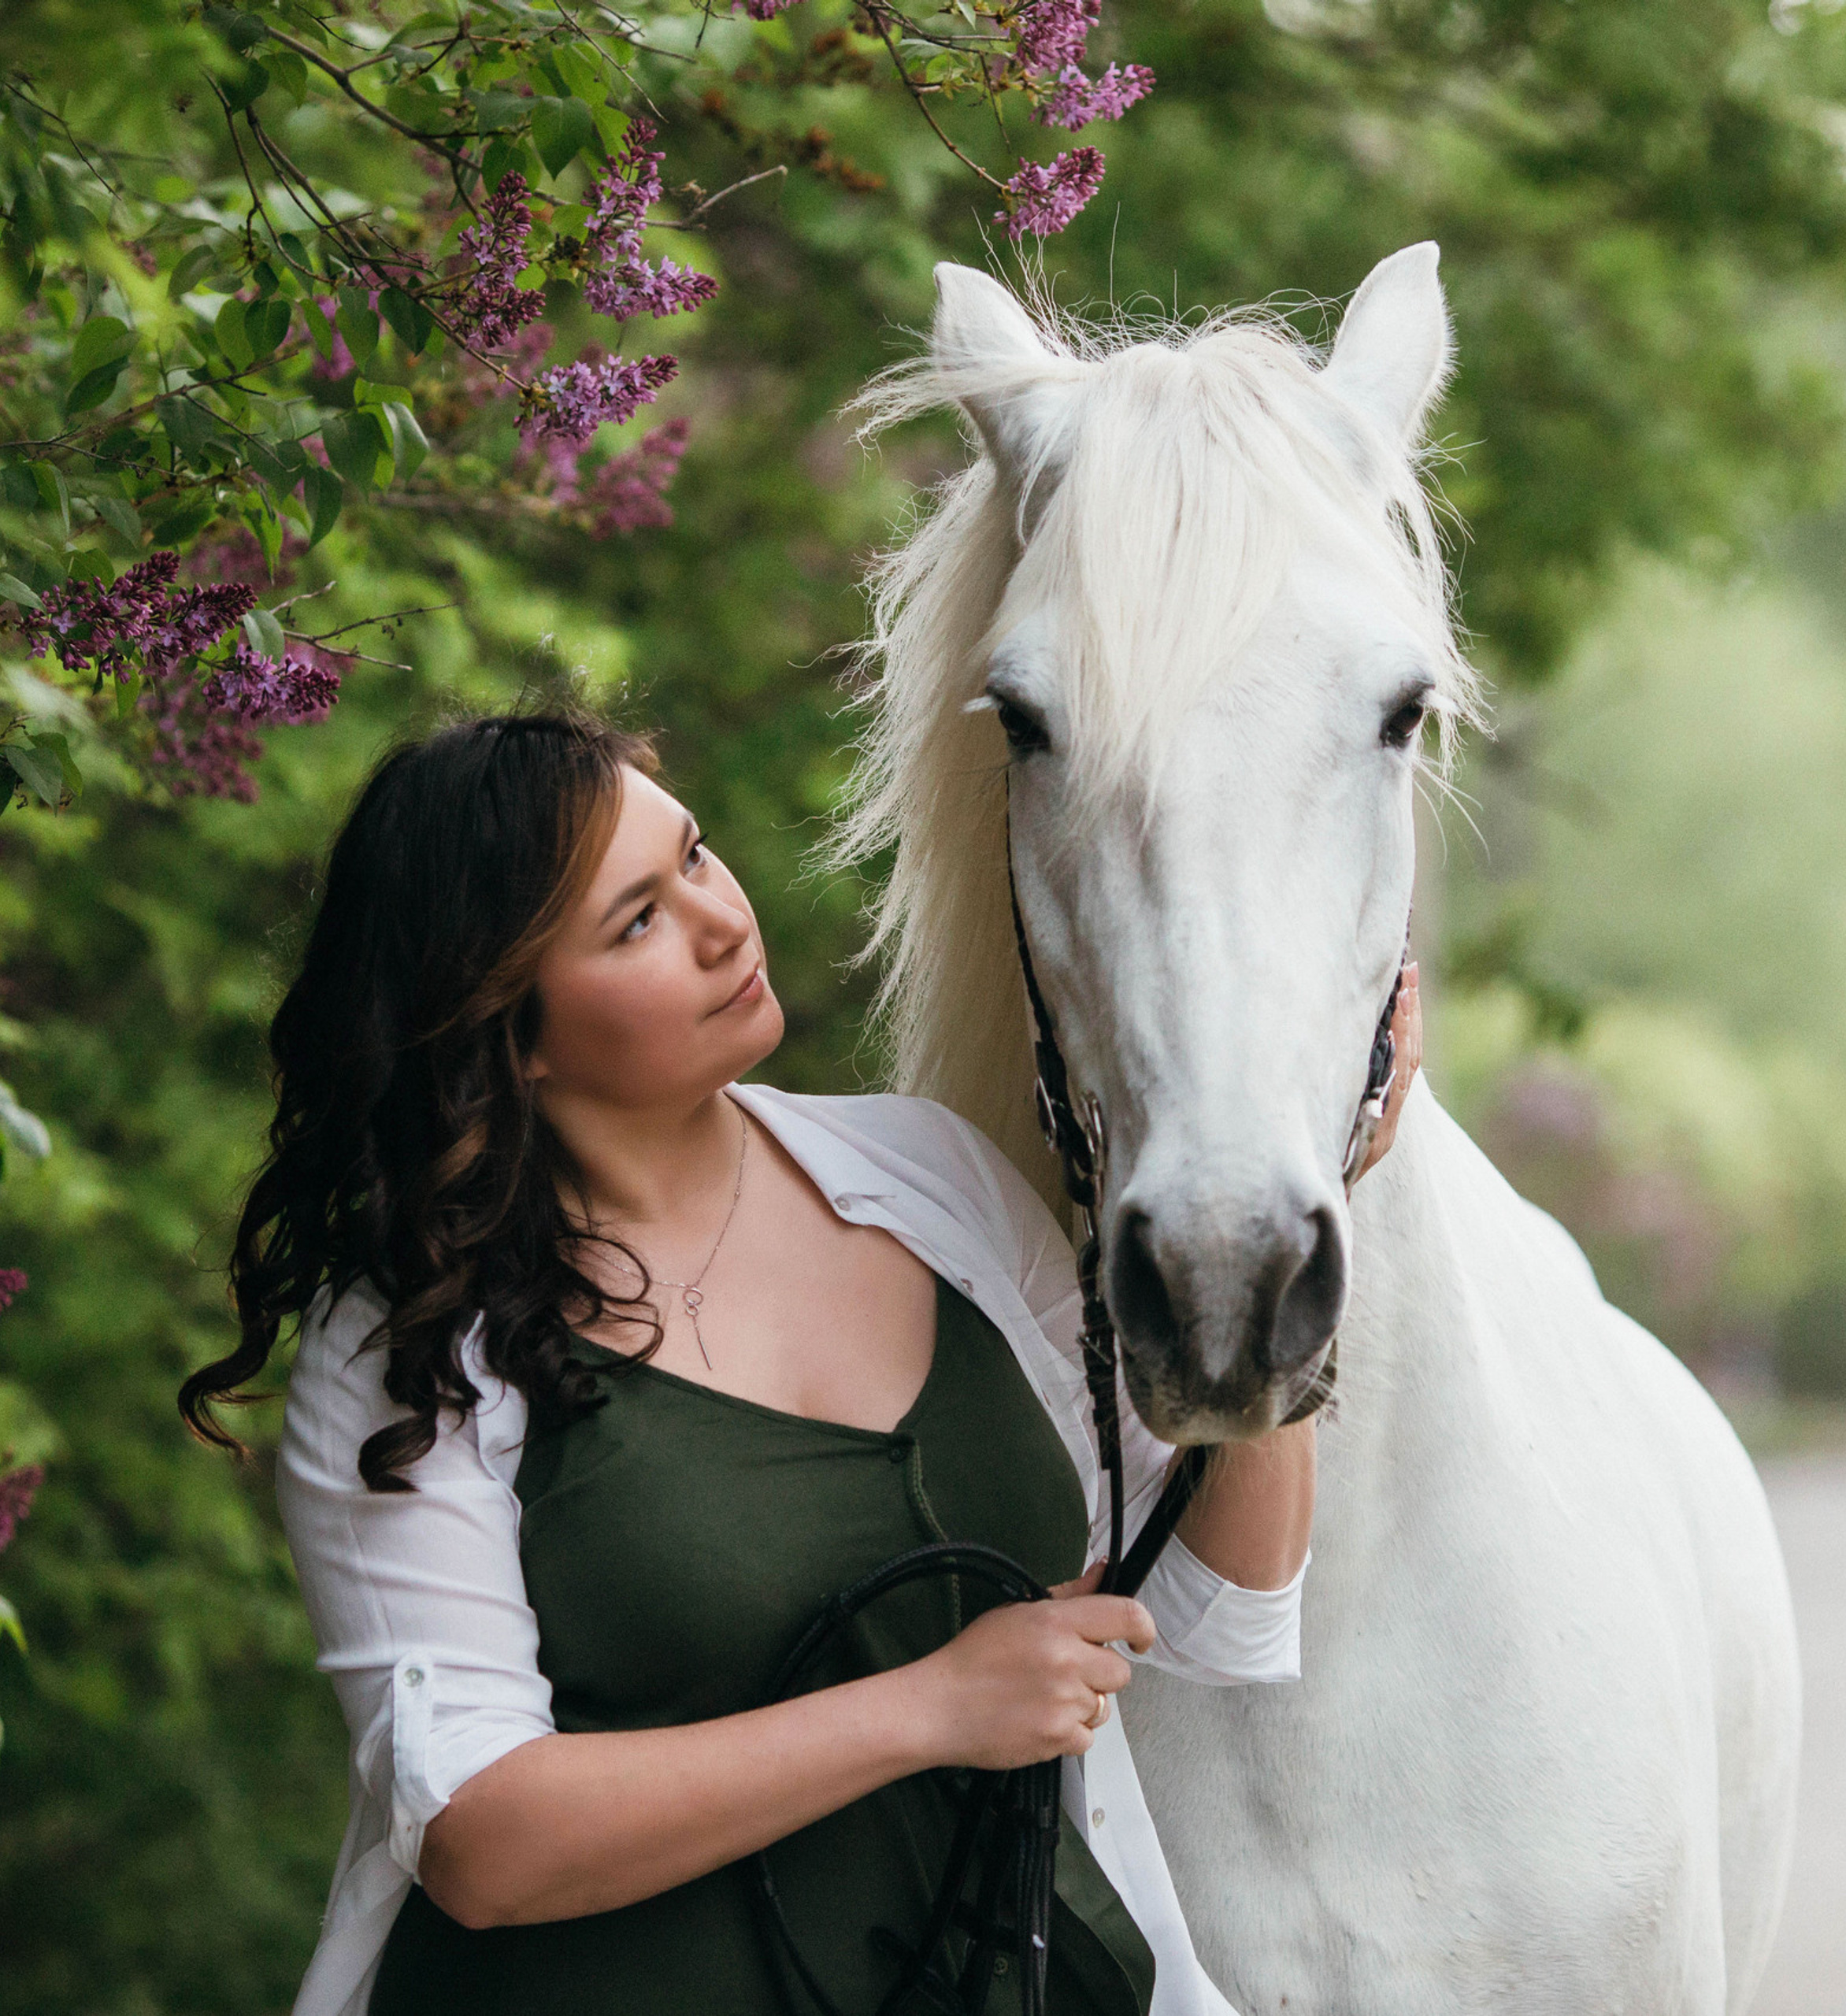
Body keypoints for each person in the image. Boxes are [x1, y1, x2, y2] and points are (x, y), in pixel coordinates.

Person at [180, 710, 1422, 2016]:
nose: (723, 921)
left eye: (694, 856)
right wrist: (933, 1708)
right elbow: (483, 1839)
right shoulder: (416, 1340)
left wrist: (1306, 1199)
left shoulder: (928, 1182)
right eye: (638, 922)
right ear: (512, 1032)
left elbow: (1222, 1605)